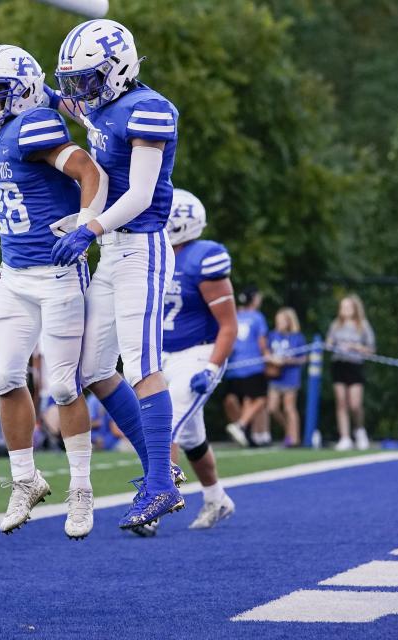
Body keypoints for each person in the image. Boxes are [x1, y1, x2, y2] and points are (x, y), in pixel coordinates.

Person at [0, 45, 106, 539]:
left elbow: (89, 171)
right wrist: (7, 264)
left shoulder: (33, 125)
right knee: (4, 377)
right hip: (15, 275)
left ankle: (83, 490)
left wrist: (85, 229)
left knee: (64, 385)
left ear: (22, 90)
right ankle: (26, 479)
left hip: (59, 272)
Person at [51, 19, 186, 529]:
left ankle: (158, 486)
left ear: (120, 68)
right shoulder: (103, 102)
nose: (81, 89)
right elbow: (73, 106)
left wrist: (90, 227)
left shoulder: (148, 109)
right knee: (92, 368)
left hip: (143, 248)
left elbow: (142, 195)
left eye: (89, 77)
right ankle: (160, 471)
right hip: (113, 250)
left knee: (143, 363)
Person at [160, 188, 238, 530]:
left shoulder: (204, 258)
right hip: (163, 355)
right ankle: (216, 499)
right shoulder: (155, 254)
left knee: (164, 424)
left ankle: (158, 502)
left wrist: (210, 367)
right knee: (191, 438)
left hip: (198, 354)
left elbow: (229, 325)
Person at [325, 294, 376, 451]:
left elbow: (371, 349)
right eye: (343, 307)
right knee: (341, 402)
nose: (345, 310)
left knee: (355, 404)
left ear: (355, 308)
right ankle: (345, 437)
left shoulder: (363, 325)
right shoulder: (335, 325)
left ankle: (360, 431)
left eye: (348, 307)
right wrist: (332, 344)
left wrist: (355, 347)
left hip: (355, 366)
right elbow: (329, 343)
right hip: (339, 364)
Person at [222, 287, 270, 447]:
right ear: (254, 299)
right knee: (259, 399)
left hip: (234, 366)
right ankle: (240, 426)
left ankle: (245, 434)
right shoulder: (257, 317)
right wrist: (268, 356)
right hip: (253, 365)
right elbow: (261, 342)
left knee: (238, 400)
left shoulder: (234, 316)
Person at [267, 308, 307, 447]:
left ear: (289, 321)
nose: (279, 323)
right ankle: (288, 431)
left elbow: (303, 359)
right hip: (276, 376)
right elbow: (266, 352)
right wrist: (272, 359)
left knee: (289, 408)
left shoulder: (297, 337)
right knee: (272, 408)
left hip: (290, 376)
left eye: (282, 320)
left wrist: (289, 360)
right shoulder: (272, 335)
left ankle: (294, 438)